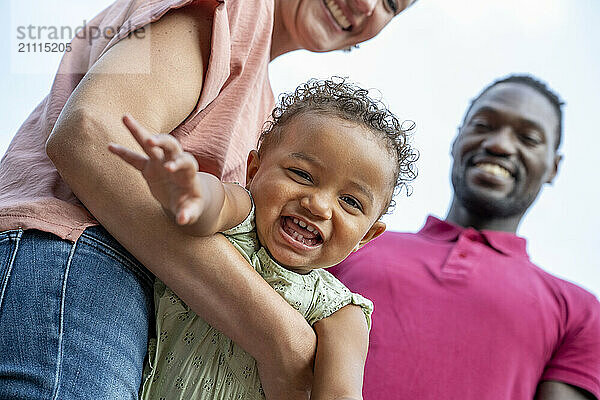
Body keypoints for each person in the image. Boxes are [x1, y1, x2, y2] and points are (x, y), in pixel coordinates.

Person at [0, 0, 418, 398]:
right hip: (82, 263)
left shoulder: (267, 111)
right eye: (302, 176)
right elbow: (90, 135)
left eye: (391, 4)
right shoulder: (239, 9)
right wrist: (279, 336)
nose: (366, 4)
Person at [108, 78, 416, 400]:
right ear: (254, 170)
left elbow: (341, 394)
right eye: (302, 175)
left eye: (351, 202)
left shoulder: (340, 312)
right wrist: (187, 190)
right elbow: (214, 204)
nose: (319, 205)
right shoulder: (242, 218)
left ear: (365, 236)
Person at [329, 74, 600, 400]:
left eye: (528, 138)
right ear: (457, 139)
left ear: (554, 167)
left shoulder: (581, 312)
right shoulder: (350, 243)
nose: (499, 144)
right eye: (483, 125)